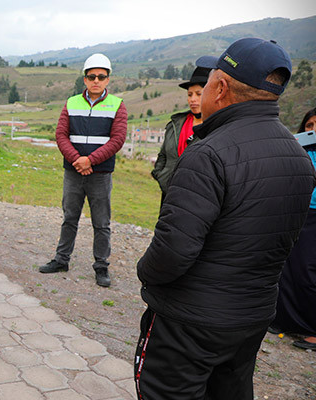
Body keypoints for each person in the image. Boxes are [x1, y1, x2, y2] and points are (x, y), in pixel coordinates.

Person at [133, 39, 316, 399]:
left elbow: (173, 251)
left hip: (190, 322)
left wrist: (145, 272)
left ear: (219, 86)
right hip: (251, 317)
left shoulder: (209, 153)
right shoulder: (297, 154)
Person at [39, 53, 127, 288]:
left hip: (100, 174)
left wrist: (91, 160)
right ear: (84, 79)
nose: (96, 80)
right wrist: (77, 159)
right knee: (69, 218)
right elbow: (61, 135)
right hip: (73, 171)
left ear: (108, 79)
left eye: (101, 76)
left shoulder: (117, 105)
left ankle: (101, 266)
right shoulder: (71, 103)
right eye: (91, 76)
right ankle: (61, 259)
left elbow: (117, 139)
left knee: (101, 222)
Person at [269, 107, 316, 350]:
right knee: (286, 267)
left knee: (308, 271)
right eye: (310, 125)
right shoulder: (299, 148)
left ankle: (313, 329)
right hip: (296, 208)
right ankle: (283, 319)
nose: (314, 129)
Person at [151, 66, 210, 203]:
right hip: (169, 195)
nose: (192, 99)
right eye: (190, 95)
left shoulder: (215, 128)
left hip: (198, 200)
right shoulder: (175, 124)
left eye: (198, 94)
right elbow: (163, 155)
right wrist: (161, 176)